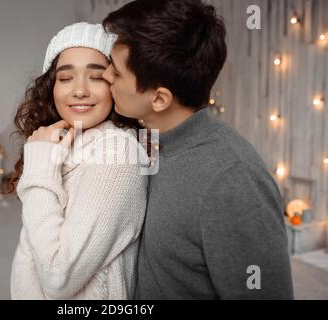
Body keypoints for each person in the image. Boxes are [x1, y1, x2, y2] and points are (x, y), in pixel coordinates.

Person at [102, 0, 294, 299]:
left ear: (159, 99)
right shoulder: (145, 141)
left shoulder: (233, 181)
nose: (105, 77)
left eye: (116, 73)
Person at [8, 22, 148, 299]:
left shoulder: (117, 154)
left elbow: (58, 277)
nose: (79, 90)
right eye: (65, 77)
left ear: (115, 85)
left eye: (96, 77)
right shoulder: (63, 145)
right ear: (51, 88)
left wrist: (38, 168)